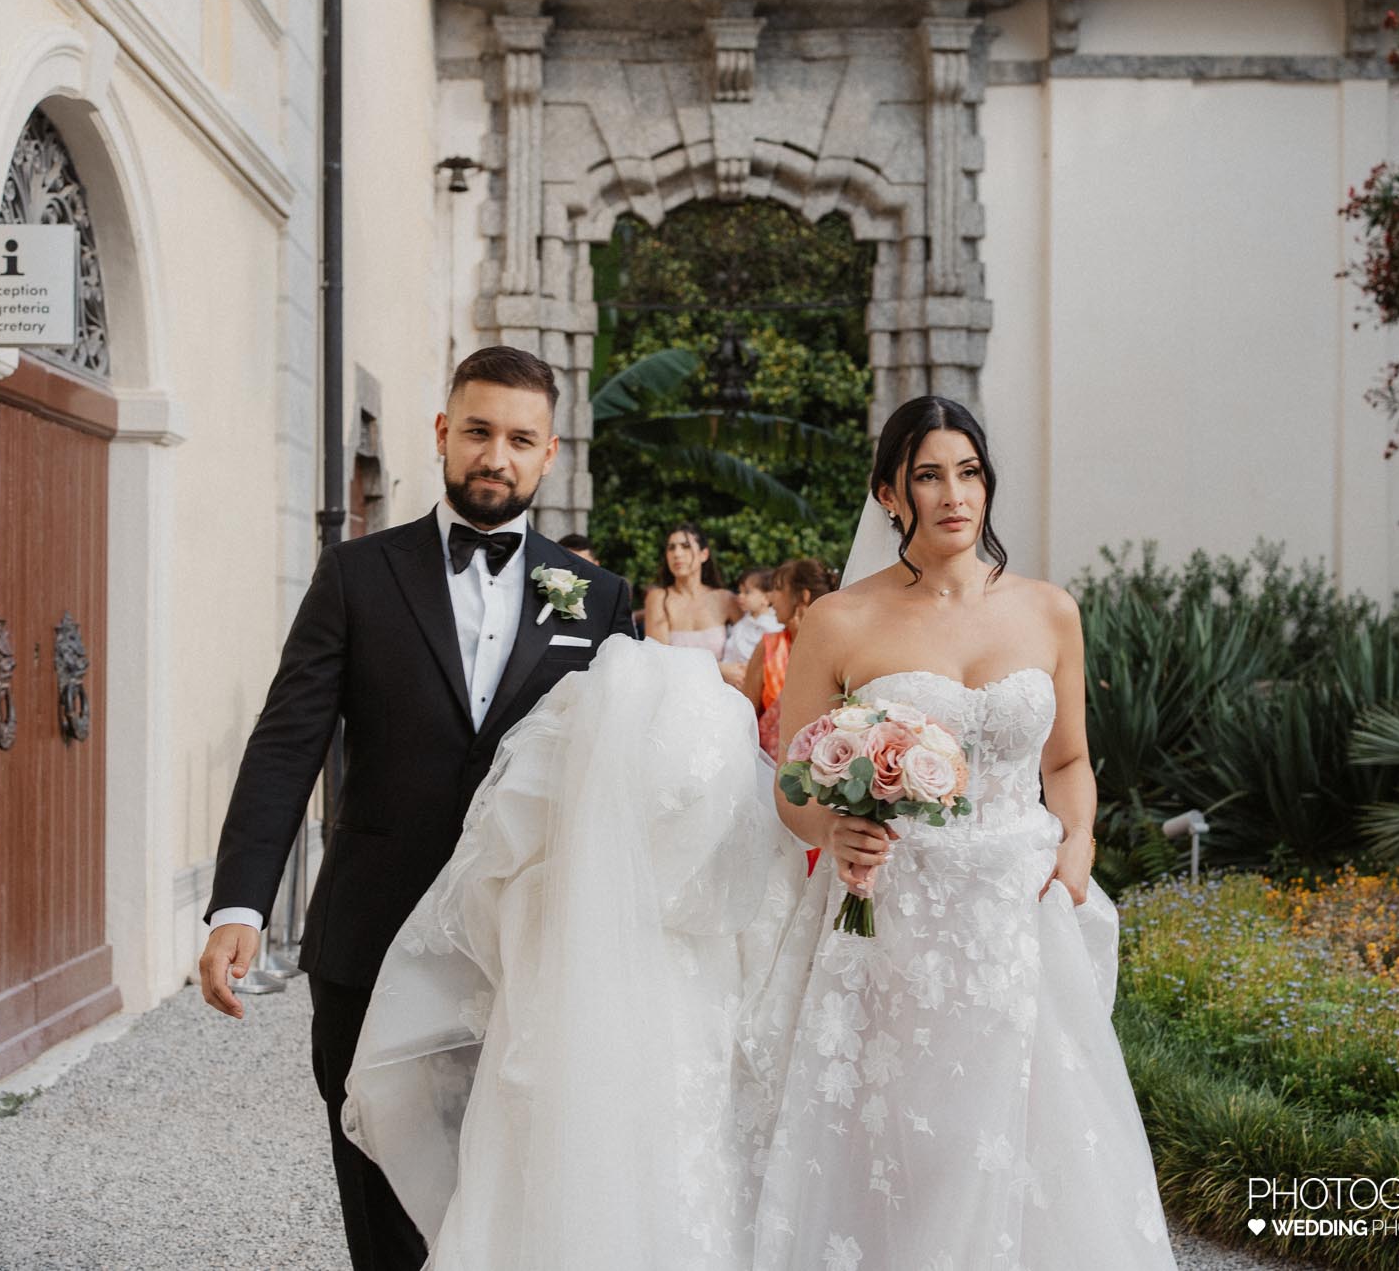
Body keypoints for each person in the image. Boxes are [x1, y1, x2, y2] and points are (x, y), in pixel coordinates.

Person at [343, 396, 1178, 1270]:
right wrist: (837, 826)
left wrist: (1077, 845)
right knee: (898, 1147)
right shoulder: (840, 621)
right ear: (890, 494)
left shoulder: (1049, 611)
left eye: (968, 472)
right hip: (887, 918)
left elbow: (1069, 761)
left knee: (1026, 1147)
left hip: (1017, 915)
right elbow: (791, 783)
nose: (954, 494)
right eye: (929, 475)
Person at [196, 345, 635, 1271]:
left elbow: (624, 780)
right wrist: (240, 902)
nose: (495, 456)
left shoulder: (599, 601)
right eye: (478, 431)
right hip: (371, 933)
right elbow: (287, 741)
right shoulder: (356, 575)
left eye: (520, 439)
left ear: (550, 452)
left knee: (506, 1188)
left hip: (522, 945)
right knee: (378, 1186)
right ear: (442, 432)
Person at [742, 558, 832, 761]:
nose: (770, 597)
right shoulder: (768, 646)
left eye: (778, 588)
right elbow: (745, 716)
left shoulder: (832, 648)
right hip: (767, 762)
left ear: (803, 596)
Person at [642, 522, 739, 661]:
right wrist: (722, 669)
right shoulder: (659, 598)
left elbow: (751, 646)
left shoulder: (725, 599)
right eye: (671, 548)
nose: (677, 554)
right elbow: (659, 659)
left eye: (686, 546)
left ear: (704, 554)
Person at [719, 566, 781, 690]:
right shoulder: (742, 624)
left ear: (766, 598)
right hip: (734, 679)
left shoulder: (774, 625)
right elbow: (731, 649)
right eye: (739, 591)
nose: (740, 596)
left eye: (747, 592)